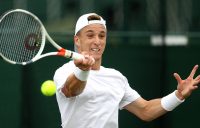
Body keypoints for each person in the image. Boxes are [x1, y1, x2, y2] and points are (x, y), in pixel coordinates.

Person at [53, 13, 200, 128]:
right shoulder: (64, 72)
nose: (97, 41)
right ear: (77, 40)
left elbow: (145, 110)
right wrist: (83, 70)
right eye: (90, 35)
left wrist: (178, 95)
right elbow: (71, 90)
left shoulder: (116, 77)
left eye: (102, 36)